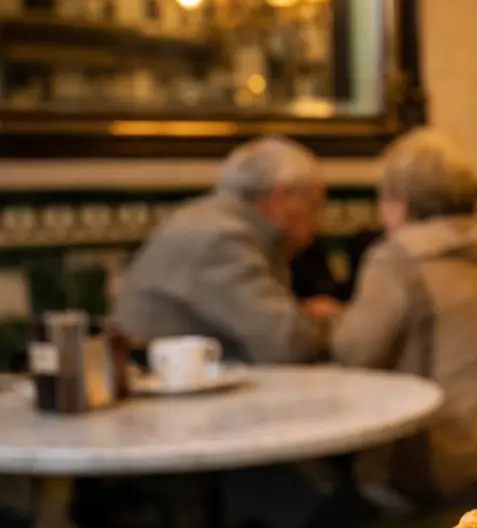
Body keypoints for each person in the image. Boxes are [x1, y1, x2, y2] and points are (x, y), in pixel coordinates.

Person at [331, 128, 477, 505]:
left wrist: (334, 318)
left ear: (398, 203)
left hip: (446, 472)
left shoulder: (398, 259)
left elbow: (352, 355)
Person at [112, 136, 336, 363]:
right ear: (281, 197)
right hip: (170, 389)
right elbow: (286, 345)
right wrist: (328, 322)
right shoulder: (221, 240)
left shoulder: (215, 220)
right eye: (314, 205)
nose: (319, 222)